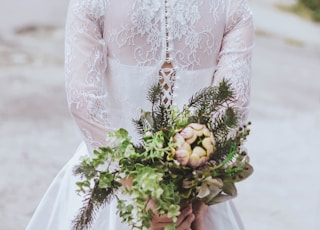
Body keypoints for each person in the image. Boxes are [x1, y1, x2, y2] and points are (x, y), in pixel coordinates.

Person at [26, 0, 254, 229]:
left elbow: (83, 102)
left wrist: (139, 190)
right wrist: (195, 197)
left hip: (114, 187)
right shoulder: (233, 6)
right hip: (193, 198)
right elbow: (231, 109)